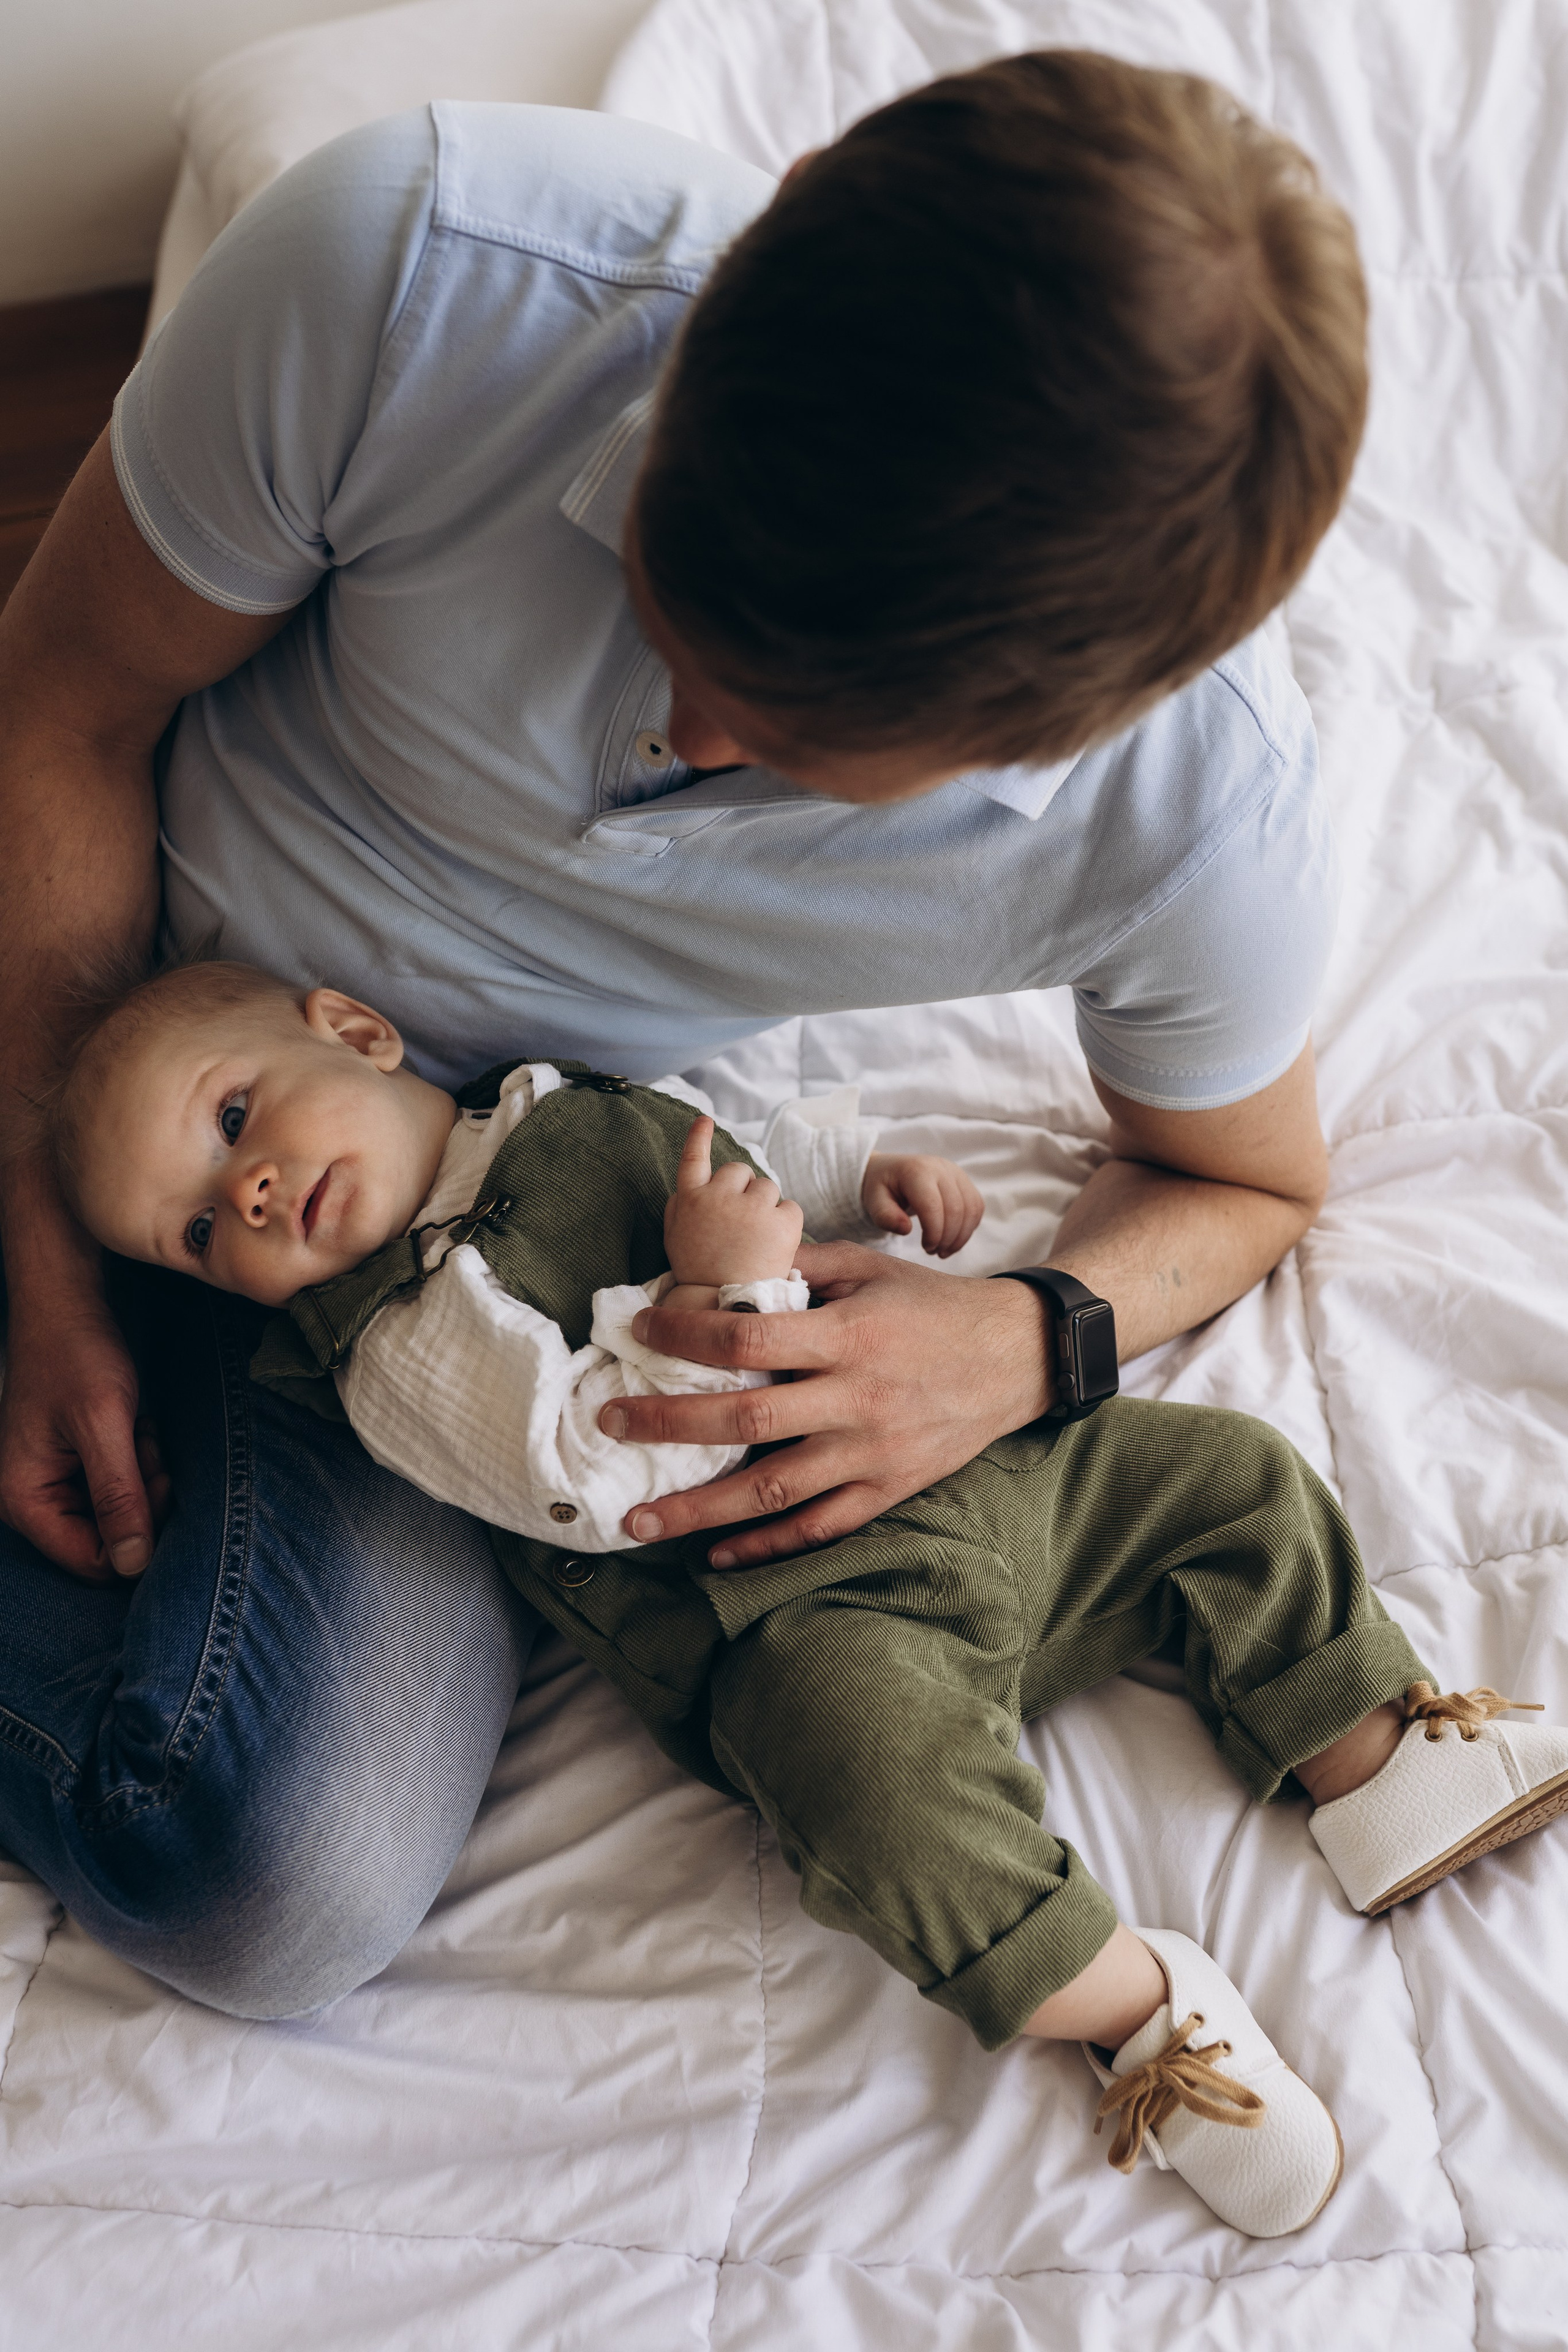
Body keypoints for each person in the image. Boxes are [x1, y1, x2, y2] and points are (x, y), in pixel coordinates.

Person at [2, 56, 1370, 2019]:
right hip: (68, 973)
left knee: (276, 1883)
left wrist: (1022, 1336)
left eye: (809, 752)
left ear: (1061, 732)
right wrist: (53, 1234)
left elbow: (1249, 1178)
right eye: (674, 580)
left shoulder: (1195, 814)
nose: (685, 739)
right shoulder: (412, 270)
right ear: (766, 232)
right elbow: (57, 706)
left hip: (455, 1268)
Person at [40, 954, 1568, 2238]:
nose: (240, 1193)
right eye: (191, 1231)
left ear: (357, 1032)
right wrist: (719, 1298)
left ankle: (1366, 1754)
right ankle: (1129, 2009)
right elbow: (592, 1466)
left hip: (973, 1479)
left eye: (231, 1119)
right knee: (868, 1781)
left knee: (1220, 1474)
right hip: (796, 1614)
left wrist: (855, 1178)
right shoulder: (396, 1357)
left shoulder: (546, 1100)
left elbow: (732, 1156)